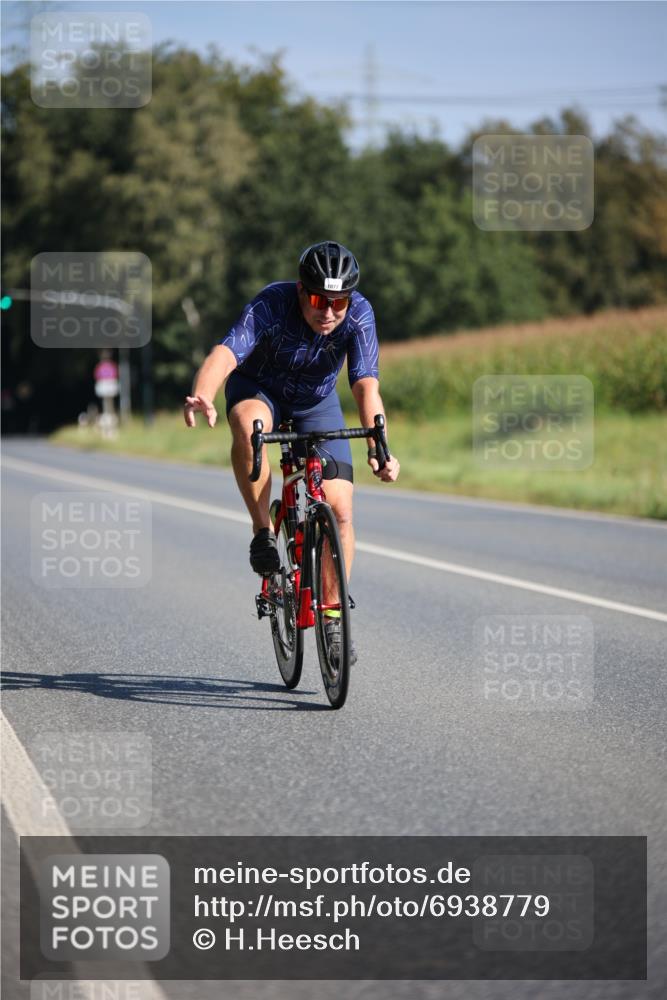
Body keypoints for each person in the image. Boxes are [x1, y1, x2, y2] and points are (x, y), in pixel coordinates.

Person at [184, 241, 400, 663]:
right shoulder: (271, 303)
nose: (329, 312)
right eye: (320, 299)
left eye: (338, 302)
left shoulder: (359, 314)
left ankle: (333, 616)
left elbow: (365, 385)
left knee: (340, 510)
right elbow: (225, 354)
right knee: (252, 427)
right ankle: (263, 530)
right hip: (259, 389)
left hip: (316, 403)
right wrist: (202, 394)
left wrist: (380, 444)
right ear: (302, 291)